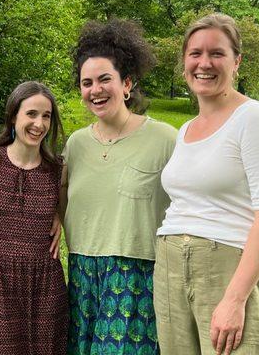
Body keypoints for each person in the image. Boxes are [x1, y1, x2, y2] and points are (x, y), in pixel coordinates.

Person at [154, 13, 259, 355]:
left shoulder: (255, 118)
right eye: (195, 53)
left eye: (217, 53)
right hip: (170, 266)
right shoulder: (186, 129)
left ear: (237, 61)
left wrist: (234, 299)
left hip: (227, 265)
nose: (204, 63)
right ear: (184, 61)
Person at [61, 19, 177, 354]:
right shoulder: (76, 144)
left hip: (136, 278)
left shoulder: (165, 139)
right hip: (82, 276)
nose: (95, 89)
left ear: (127, 84)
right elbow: (61, 197)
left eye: (104, 79)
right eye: (86, 83)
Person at [0, 81, 69, 354]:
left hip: (45, 286)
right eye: (31, 114)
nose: (39, 123)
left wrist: (59, 218)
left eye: (46, 116)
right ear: (14, 115)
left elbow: (73, 209)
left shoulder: (57, 171)